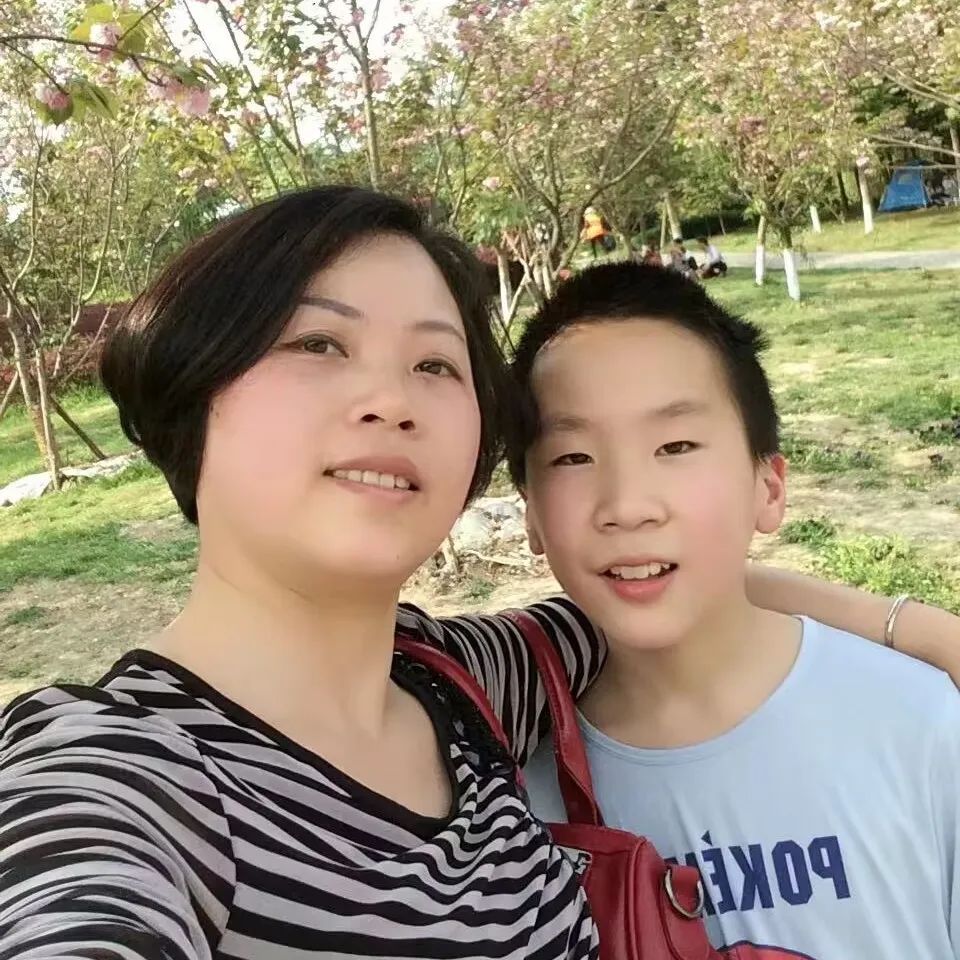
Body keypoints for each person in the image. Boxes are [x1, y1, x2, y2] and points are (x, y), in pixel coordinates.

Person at [1, 188, 958, 960]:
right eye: (318, 343)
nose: (391, 399)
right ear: (190, 387)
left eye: (435, 364)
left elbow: (678, 581)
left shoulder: (463, 686)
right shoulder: (116, 773)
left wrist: (919, 631)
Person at [510, 262, 960, 960]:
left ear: (768, 487)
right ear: (530, 514)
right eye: (572, 457)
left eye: (676, 446)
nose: (627, 505)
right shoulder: (514, 787)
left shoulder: (921, 727)